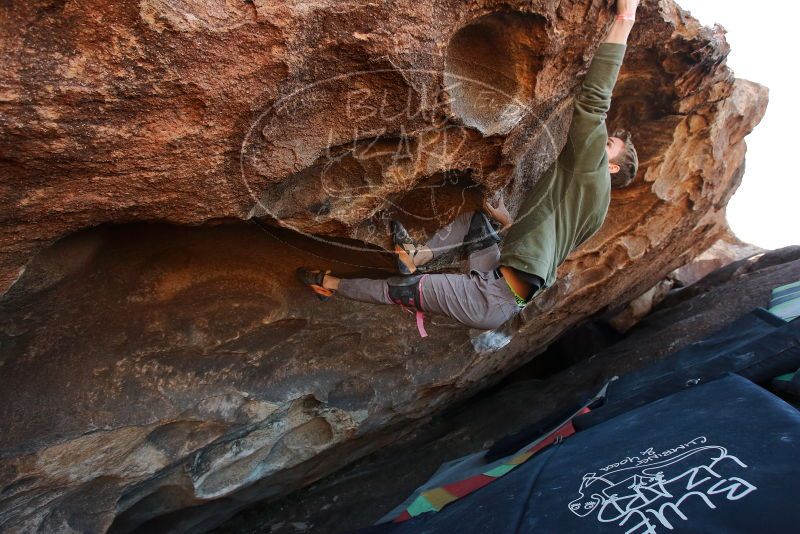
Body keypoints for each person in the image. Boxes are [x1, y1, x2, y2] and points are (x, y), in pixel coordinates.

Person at [297, 0, 640, 334]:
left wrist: (625, 18)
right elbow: (547, 237)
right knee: (479, 221)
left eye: (608, 145)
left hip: (491, 299)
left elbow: (594, 102)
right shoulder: (590, 203)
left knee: (403, 289)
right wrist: (508, 222)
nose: (601, 140)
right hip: (499, 277)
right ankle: (417, 254)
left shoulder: (590, 172)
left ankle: (331, 284)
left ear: (610, 169)